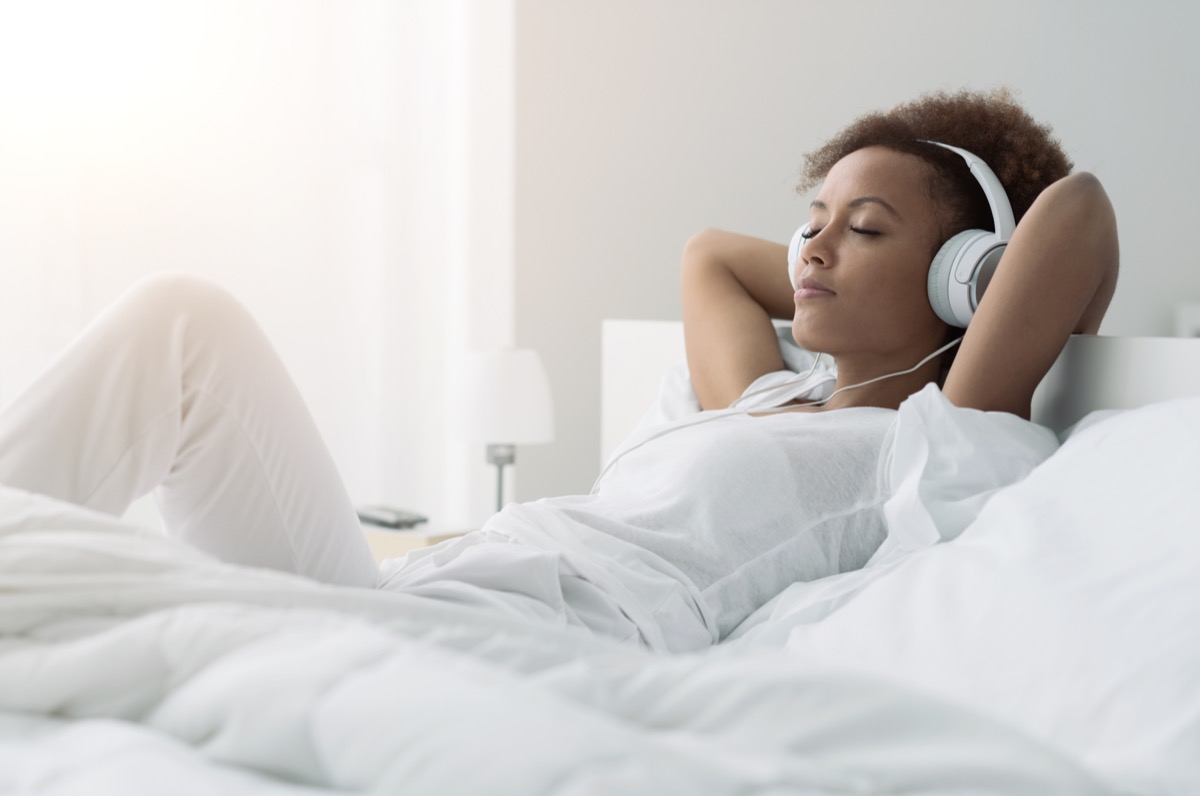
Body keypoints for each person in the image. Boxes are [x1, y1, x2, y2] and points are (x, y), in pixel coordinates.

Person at [0, 88, 1117, 654]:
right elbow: (709, 260)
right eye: (809, 223)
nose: (810, 251)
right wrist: (848, 257)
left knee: (185, 331)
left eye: (864, 230)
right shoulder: (763, 400)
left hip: (493, 639)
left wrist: (968, 284)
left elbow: (1081, 214)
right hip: (419, 592)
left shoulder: (928, 445)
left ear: (966, 279)